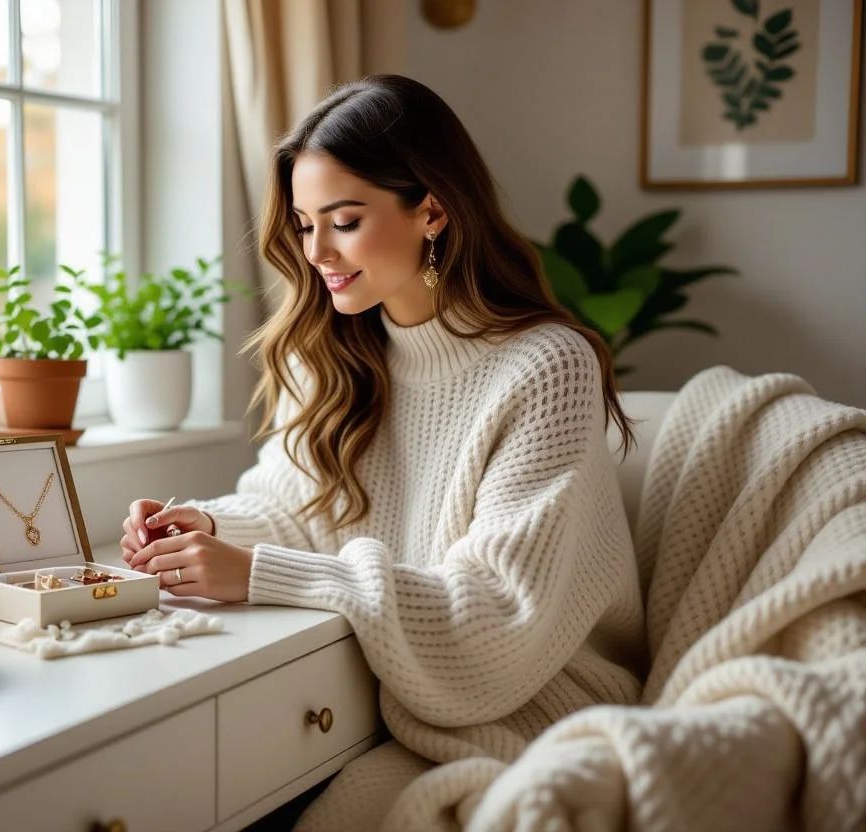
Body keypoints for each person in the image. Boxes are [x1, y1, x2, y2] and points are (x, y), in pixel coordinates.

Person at [119, 75, 646, 831]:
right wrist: (204, 528)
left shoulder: (545, 368)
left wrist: (260, 572)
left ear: (432, 209)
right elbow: (291, 507)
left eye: (344, 220)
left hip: (534, 710)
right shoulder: (333, 353)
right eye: (304, 224)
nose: (317, 252)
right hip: (373, 687)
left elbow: (499, 620)